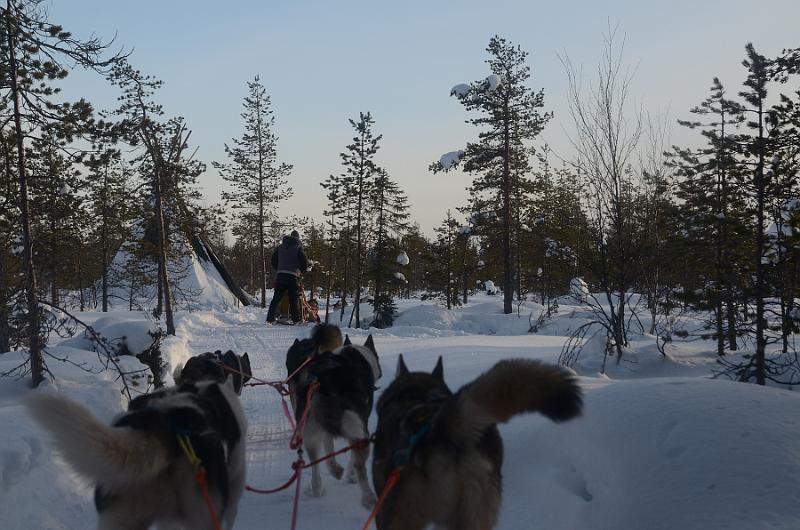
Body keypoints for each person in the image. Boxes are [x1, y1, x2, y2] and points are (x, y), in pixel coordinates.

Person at [266, 230, 308, 324]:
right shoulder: (298, 248)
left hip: (281, 275)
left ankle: (270, 318)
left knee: (276, 298)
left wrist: (279, 268)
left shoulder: (280, 247)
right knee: (293, 298)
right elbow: (304, 261)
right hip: (293, 276)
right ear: (298, 238)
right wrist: (302, 271)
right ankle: (296, 319)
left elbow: (273, 260)